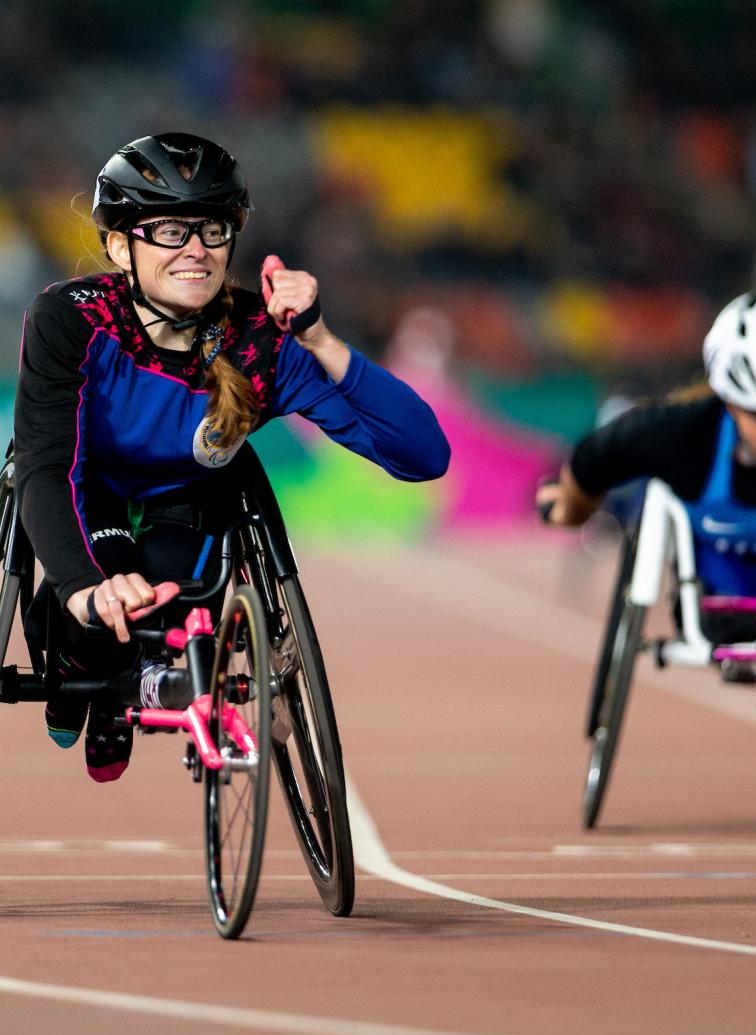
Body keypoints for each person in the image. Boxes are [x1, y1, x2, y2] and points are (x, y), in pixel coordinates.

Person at [14, 132, 450, 782]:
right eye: (167, 230)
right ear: (117, 245)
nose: (195, 249)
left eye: (211, 230)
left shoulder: (261, 340)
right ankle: (90, 670)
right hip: (88, 490)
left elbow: (422, 455)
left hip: (193, 503)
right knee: (103, 607)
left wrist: (323, 340)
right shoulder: (72, 317)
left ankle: (127, 676)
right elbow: (46, 466)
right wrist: (80, 589)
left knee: (166, 599)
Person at [536, 288, 756, 625]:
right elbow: (594, 457)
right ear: (730, 404)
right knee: (724, 621)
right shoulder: (684, 431)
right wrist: (571, 509)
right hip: (720, 573)